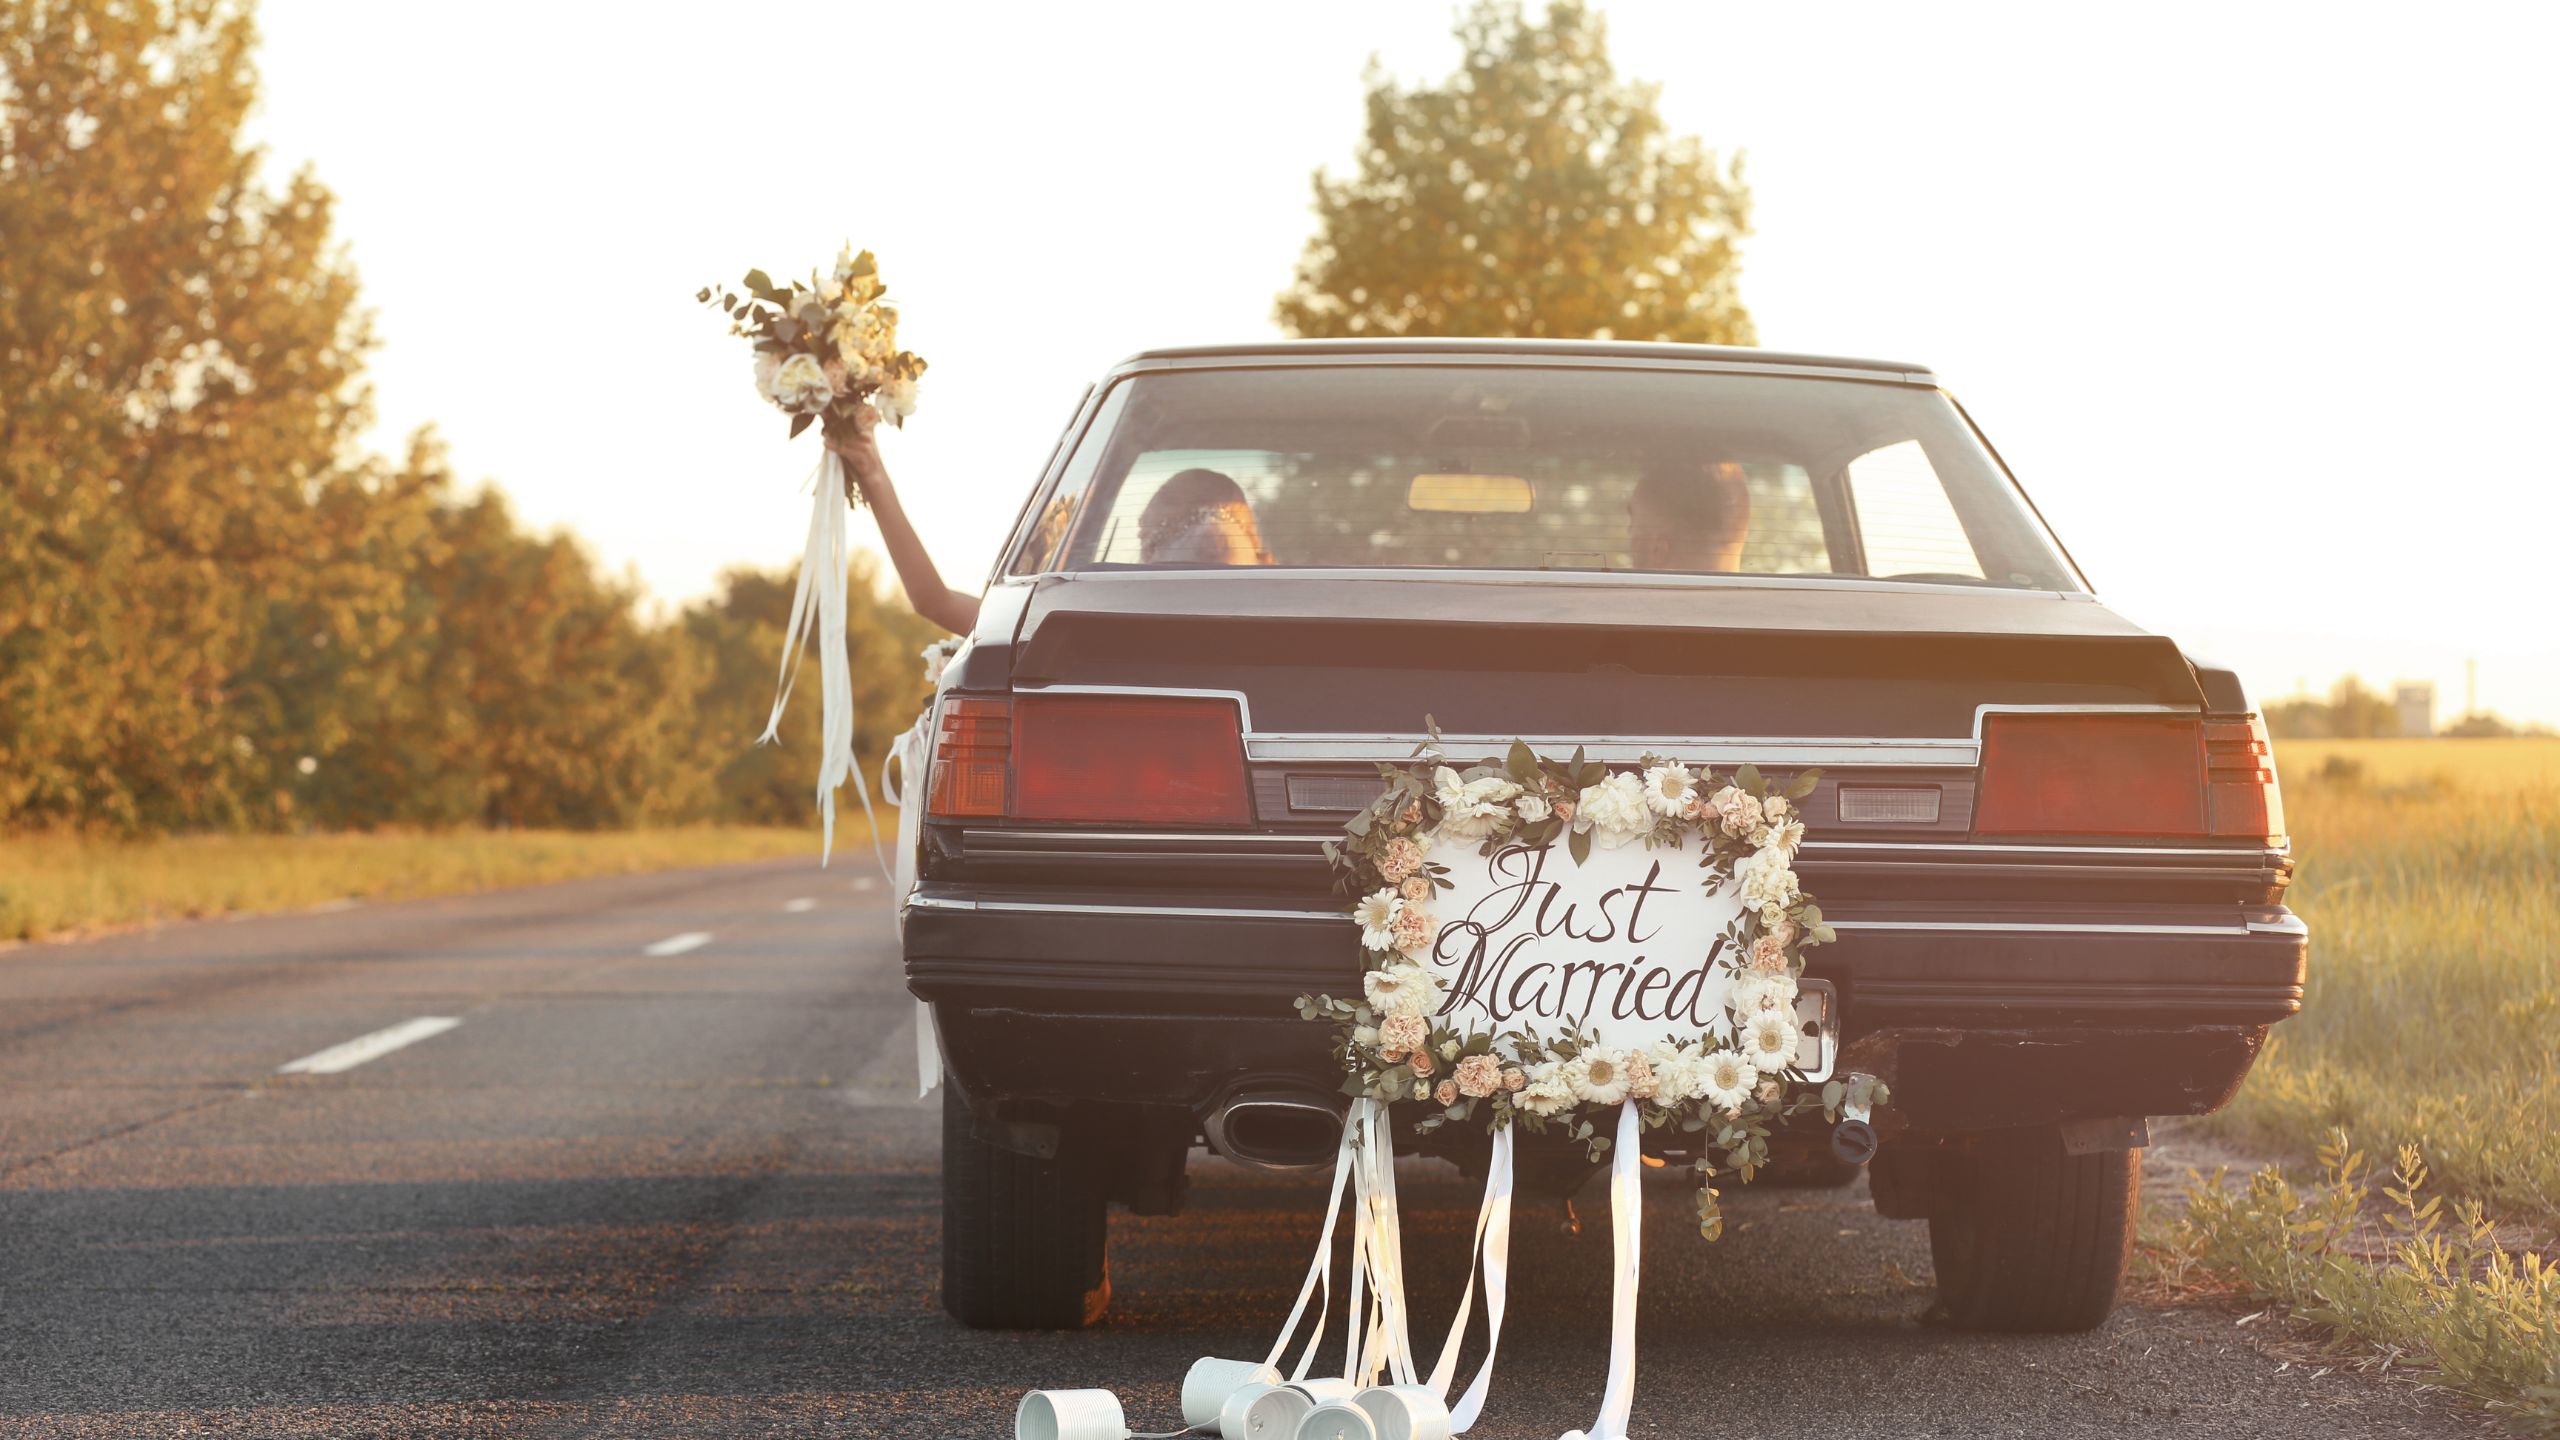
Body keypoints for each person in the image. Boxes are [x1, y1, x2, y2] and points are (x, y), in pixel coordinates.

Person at [826, 410, 1272, 636]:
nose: (1144, 553)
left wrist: (875, 476)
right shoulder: (1312, 632)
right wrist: (873, 474)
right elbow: (933, 601)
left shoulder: (1101, 631)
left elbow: (933, 601)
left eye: (1151, 538)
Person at [1627, 457, 1752, 573]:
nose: (1629, 535)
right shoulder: (1768, 592)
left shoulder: (1615, 594)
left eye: (1632, 524)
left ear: (1657, 549)